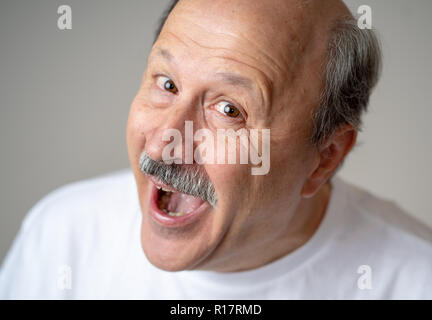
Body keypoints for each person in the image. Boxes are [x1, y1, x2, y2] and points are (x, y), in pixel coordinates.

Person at [1, 0, 431, 299]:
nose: (165, 141)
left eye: (229, 109)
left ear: (325, 157)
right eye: (167, 84)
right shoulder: (61, 237)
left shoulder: (415, 281)